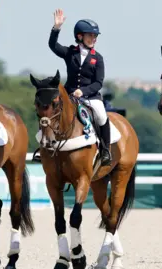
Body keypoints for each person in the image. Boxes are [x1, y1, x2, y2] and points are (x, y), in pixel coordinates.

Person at [35, 8, 110, 166]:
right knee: (49, 111)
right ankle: (42, 146)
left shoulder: (98, 58)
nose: (94, 38)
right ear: (80, 36)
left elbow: (98, 83)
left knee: (102, 116)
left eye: (95, 36)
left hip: (90, 97)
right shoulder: (70, 52)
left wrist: (83, 91)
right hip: (69, 96)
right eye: (90, 35)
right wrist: (56, 27)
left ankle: (105, 150)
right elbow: (53, 45)